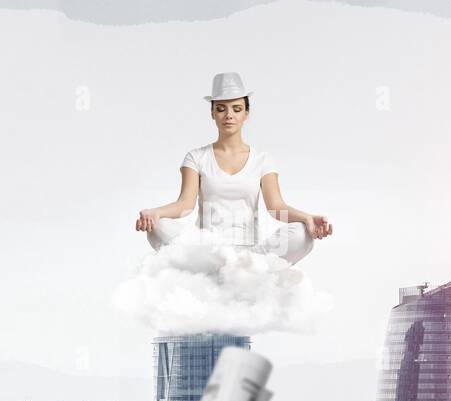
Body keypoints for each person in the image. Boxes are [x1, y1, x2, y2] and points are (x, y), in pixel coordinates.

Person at [135, 72, 332, 265]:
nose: (229, 115)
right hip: (207, 248)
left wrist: (307, 218)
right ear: (212, 113)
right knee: (157, 227)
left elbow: (276, 207)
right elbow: (184, 205)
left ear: (246, 114)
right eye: (221, 109)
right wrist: (156, 213)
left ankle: (231, 269)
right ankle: (225, 269)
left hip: (252, 254)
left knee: (302, 235)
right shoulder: (196, 157)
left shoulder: (263, 160)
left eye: (236, 109)